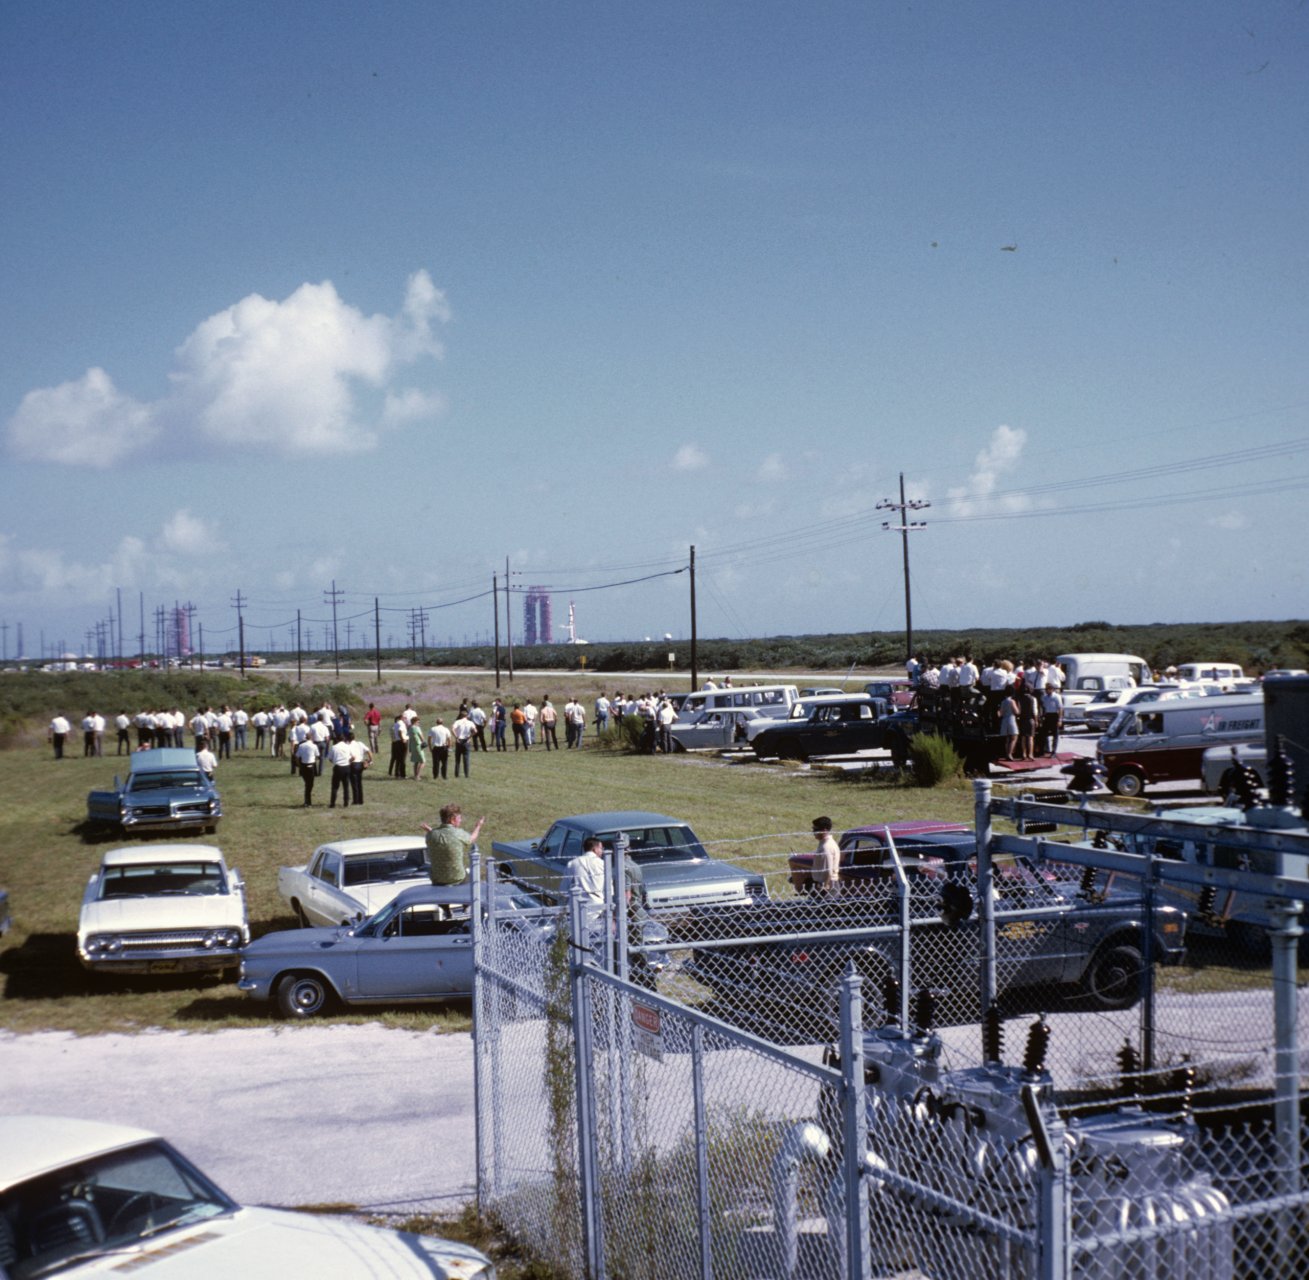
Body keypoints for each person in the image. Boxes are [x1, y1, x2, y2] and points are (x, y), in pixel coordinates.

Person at [423, 804, 485, 885]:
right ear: (452, 820)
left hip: (437, 880)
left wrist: (431, 830)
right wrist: (478, 826)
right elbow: (472, 839)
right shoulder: (457, 833)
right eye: (459, 818)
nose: (461, 820)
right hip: (457, 879)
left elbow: (442, 838)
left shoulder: (431, 835)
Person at [811, 817, 841, 896]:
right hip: (829, 885)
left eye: (816, 829)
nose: (813, 832)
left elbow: (828, 871)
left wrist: (823, 888)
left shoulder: (826, 847)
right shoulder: (828, 843)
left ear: (824, 830)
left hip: (827, 887)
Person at [327, 736, 354, 807]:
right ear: (344, 739)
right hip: (346, 767)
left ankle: (332, 803)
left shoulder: (334, 747)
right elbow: (353, 757)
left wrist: (334, 761)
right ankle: (346, 802)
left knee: (335, 786)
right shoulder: (347, 746)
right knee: (346, 786)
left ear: (337, 740)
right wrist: (349, 761)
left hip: (338, 767)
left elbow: (330, 758)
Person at [294, 735, 320, 806]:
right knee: (310, 784)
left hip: (303, 766)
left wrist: (299, 764)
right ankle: (308, 802)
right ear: (311, 738)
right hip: (311, 765)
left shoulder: (301, 745)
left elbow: (297, 756)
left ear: (305, 738)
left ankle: (307, 801)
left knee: (307, 784)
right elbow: (317, 755)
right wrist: (314, 761)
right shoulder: (314, 746)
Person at [347, 732, 371, 805]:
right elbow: (368, 751)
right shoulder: (359, 743)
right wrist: (369, 761)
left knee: (354, 784)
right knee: (359, 782)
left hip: (353, 765)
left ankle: (356, 800)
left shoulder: (348, 746)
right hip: (360, 764)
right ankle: (361, 800)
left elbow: (350, 757)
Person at [452, 708, 476, 777]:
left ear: (461, 716)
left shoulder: (457, 722)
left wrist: (456, 737)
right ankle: (466, 774)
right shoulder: (470, 722)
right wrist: (470, 737)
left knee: (457, 759)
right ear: (467, 716)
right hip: (466, 741)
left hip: (459, 740)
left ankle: (457, 774)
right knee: (466, 759)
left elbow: (452, 729)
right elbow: (475, 731)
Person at [998, 691, 1020, 760]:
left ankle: (1007, 754)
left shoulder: (1003, 702)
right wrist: (1019, 707)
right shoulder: (1012, 701)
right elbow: (1017, 712)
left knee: (1007, 738)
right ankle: (1010, 754)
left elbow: (1000, 713)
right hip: (1011, 719)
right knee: (1014, 737)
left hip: (1004, 720)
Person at [408, 718, 427, 782]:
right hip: (418, 745)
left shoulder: (410, 728)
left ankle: (415, 775)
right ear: (414, 722)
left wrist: (410, 748)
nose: (419, 723)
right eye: (418, 722)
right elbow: (421, 736)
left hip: (413, 746)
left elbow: (410, 738)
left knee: (416, 761)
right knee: (423, 761)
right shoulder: (417, 728)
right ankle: (418, 776)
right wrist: (424, 742)